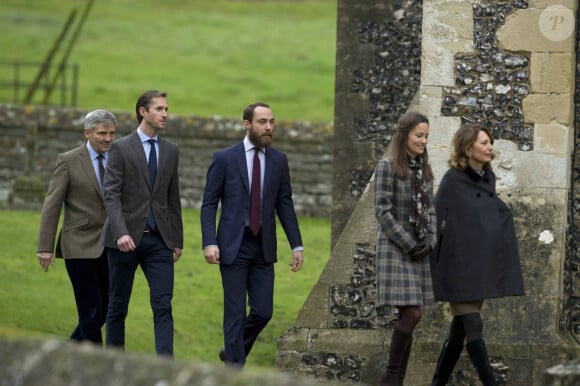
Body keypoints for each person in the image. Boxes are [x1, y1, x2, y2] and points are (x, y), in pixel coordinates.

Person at [200, 102, 304, 367]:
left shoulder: (279, 160)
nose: (269, 127)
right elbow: (209, 203)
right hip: (233, 246)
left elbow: (285, 203)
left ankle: (231, 350)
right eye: (262, 122)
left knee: (262, 312)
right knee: (234, 313)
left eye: (271, 122)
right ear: (246, 124)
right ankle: (234, 370)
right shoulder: (224, 158)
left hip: (263, 246)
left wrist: (297, 245)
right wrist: (209, 242)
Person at [429, 123, 524, 386]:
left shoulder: (488, 178)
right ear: (468, 148)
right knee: (473, 326)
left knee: (459, 330)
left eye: (490, 142)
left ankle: (437, 382)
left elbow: (491, 212)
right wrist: (428, 263)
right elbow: (434, 221)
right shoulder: (451, 180)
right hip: (456, 268)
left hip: (480, 265)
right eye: (484, 143)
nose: (490, 147)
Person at [101, 90, 183, 357]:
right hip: (124, 241)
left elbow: (173, 199)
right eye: (159, 109)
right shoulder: (120, 147)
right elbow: (111, 194)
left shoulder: (171, 150)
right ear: (143, 112)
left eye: (167, 109)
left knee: (163, 306)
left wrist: (177, 240)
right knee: (117, 307)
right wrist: (120, 233)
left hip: (159, 241)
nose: (165, 114)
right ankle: (115, 364)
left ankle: (166, 368)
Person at [36, 109, 117, 345]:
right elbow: (52, 205)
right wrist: (45, 246)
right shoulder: (68, 160)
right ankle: (95, 367)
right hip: (78, 245)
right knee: (90, 309)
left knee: (107, 308)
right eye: (102, 133)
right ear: (87, 133)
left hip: (111, 245)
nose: (108, 138)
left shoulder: (119, 158)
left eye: (112, 133)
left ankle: (66, 351)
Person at [373, 111, 437, 386]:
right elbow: (383, 212)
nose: (423, 141)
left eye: (426, 136)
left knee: (409, 315)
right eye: (419, 135)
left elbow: (431, 210)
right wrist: (410, 244)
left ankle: (397, 379)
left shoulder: (423, 169)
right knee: (413, 313)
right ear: (405, 136)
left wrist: (430, 240)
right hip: (395, 249)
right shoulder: (387, 167)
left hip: (417, 251)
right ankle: (391, 377)